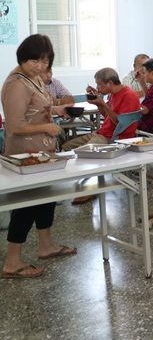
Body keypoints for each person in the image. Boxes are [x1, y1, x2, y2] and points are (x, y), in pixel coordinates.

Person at [1, 34, 76, 279]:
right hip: (25, 155)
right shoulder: (16, 83)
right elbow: (14, 125)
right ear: (23, 56)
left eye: (45, 62)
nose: (40, 67)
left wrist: (56, 110)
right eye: (35, 60)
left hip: (42, 153)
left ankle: (46, 246)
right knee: (26, 206)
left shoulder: (33, 79)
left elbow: (36, 109)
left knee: (45, 199)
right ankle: (12, 262)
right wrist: (47, 127)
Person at [61, 68, 141, 151]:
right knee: (66, 147)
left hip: (113, 137)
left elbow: (120, 123)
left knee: (83, 152)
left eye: (99, 84)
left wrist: (103, 104)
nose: (97, 88)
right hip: (101, 133)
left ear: (110, 83)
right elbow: (107, 115)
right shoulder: (113, 94)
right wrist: (98, 103)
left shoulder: (129, 95)